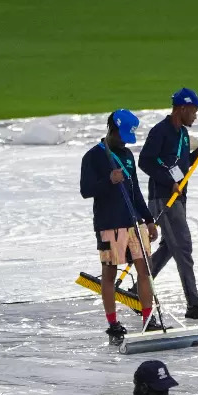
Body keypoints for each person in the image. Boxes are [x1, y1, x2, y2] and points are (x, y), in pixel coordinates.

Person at [80, 110, 159, 345]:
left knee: (145, 271)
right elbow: (86, 190)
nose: (124, 141)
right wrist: (108, 181)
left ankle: (148, 318)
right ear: (111, 129)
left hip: (133, 223)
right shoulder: (93, 157)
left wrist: (148, 219)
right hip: (108, 225)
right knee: (109, 274)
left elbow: (135, 191)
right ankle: (113, 323)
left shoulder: (126, 155)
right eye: (122, 136)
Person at [140, 88, 198, 321]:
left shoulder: (183, 134)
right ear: (182, 108)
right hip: (163, 199)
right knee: (183, 247)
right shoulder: (160, 132)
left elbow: (184, 165)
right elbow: (145, 161)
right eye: (194, 110)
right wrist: (169, 181)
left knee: (169, 247)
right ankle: (193, 305)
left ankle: (137, 291)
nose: (196, 115)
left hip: (178, 199)